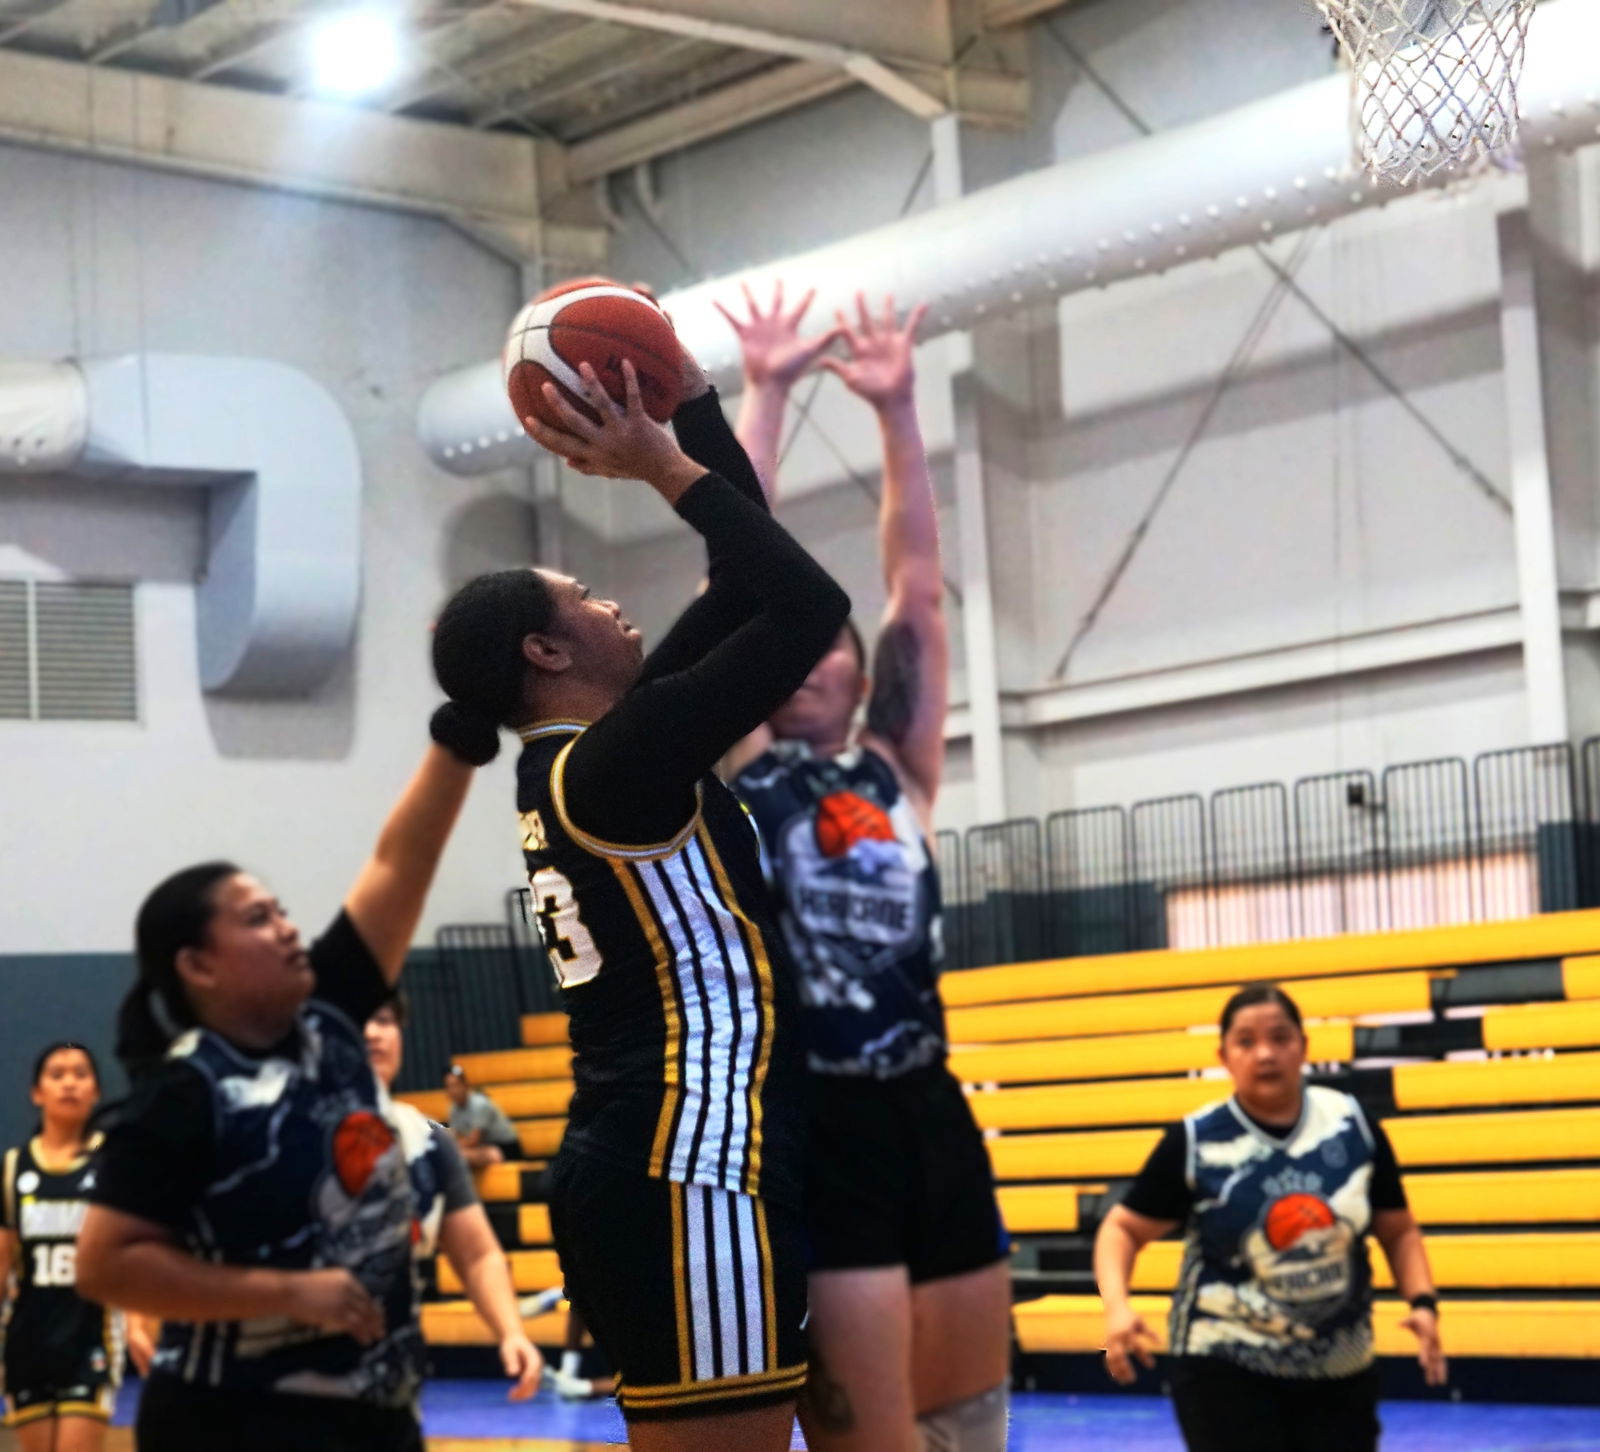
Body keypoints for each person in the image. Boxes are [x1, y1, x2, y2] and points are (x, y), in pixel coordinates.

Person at [429, 348, 849, 1451]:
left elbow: (749, 578)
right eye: (586, 599)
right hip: (689, 1169)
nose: (615, 605)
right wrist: (666, 468)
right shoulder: (616, 762)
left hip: (674, 1156)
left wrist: (690, 406)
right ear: (544, 649)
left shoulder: (588, 757)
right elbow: (811, 606)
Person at [719, 287, 1011, 1452]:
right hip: (816, 1117)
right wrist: (767, 391)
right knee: (874, 1441)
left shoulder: (897, 766)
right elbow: (738, 582)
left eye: (822, 645)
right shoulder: (738, 767)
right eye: (781, 650)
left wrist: (896, 408)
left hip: (928, 1106)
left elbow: (917, 596)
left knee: (969, 1425)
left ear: (851, 667)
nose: (802, 663)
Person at [75, 721, 495, 1452]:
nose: (288, 927)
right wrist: (289, 1294)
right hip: (228, 1421)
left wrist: (460, 734)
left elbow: (403, 861)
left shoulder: (332, 1011)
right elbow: (105, 1264)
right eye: (258, 919)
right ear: (198, 966)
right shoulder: (182, 1092)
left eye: (282, 910)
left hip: (378, 1414)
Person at [1094, 983, 1449, 1452]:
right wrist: (1117, 1306)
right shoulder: (1197, 1140)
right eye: (1246, 1041)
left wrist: (1422, 1303)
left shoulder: (1352, 1124)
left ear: (1304, 1046)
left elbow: (1398, 1229)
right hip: (1223, 1359)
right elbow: (1121, 1229)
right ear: (1223, 1056)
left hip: (1339, 1365)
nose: (1265, 1053)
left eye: (1280, 1038)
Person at [363, 996, 541, 1400]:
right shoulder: (278, 1133)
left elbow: (478, 1255)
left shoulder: (428, 1141)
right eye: (359, 1021)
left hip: (390, 1385)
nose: (373, 1032)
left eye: (385, 1019)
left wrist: (511, 1331)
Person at [0, 1043, 153, 1452]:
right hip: (27, 1339)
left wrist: (139, 1323)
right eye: (57, 1074)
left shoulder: (112, 1165)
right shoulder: (13, 1169)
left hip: (91, 1336)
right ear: (37, 1093)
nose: (69, 1082)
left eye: (81, 1073)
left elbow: (131, 1255)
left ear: (96, 1093)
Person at [441, 1064, 522, 1169]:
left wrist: (448, 1148)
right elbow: (457, 1135)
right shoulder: (453, 1109)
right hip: (483, 1147)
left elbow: (474, 1140)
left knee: (461, 1155)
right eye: (449, 1086)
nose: (453, 1090)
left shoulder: (479, 1104)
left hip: (506, 1149)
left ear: (466, 1085)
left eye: (456, 1085)